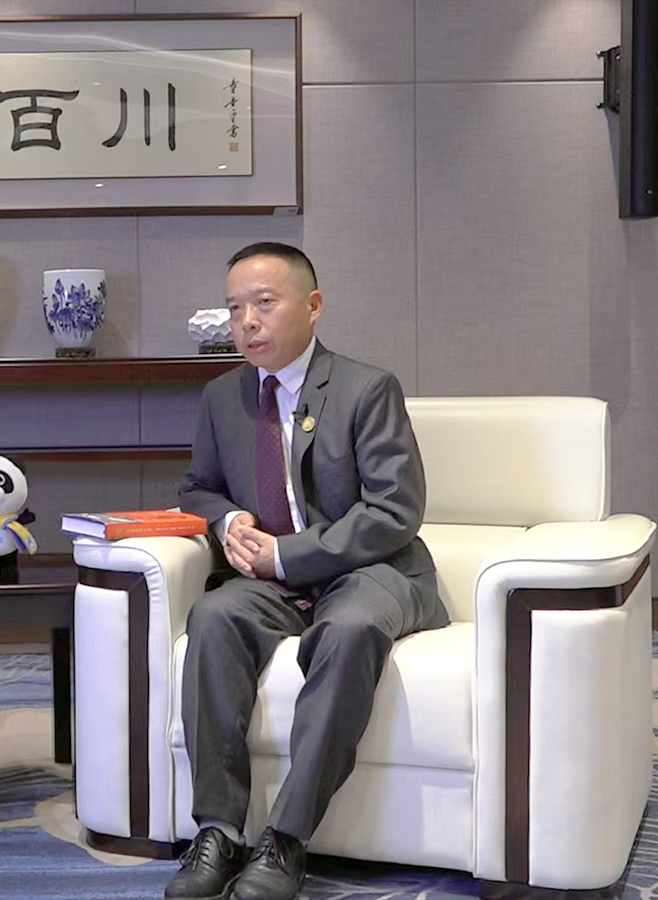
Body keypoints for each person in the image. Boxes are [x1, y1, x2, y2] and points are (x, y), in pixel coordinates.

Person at [168, 242, 450, 900]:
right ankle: (218, 830)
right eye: (235, 308)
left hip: (370, 568)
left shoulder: (366, 388)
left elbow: (394, 509)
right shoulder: (221, 397)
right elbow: (198, 488)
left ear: (313, 305)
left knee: (348, 630)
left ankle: (287, 839)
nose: (247, 322)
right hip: (271, 583)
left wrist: (287, 554)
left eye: (264, 303)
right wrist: (227, 521)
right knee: (213, 617)